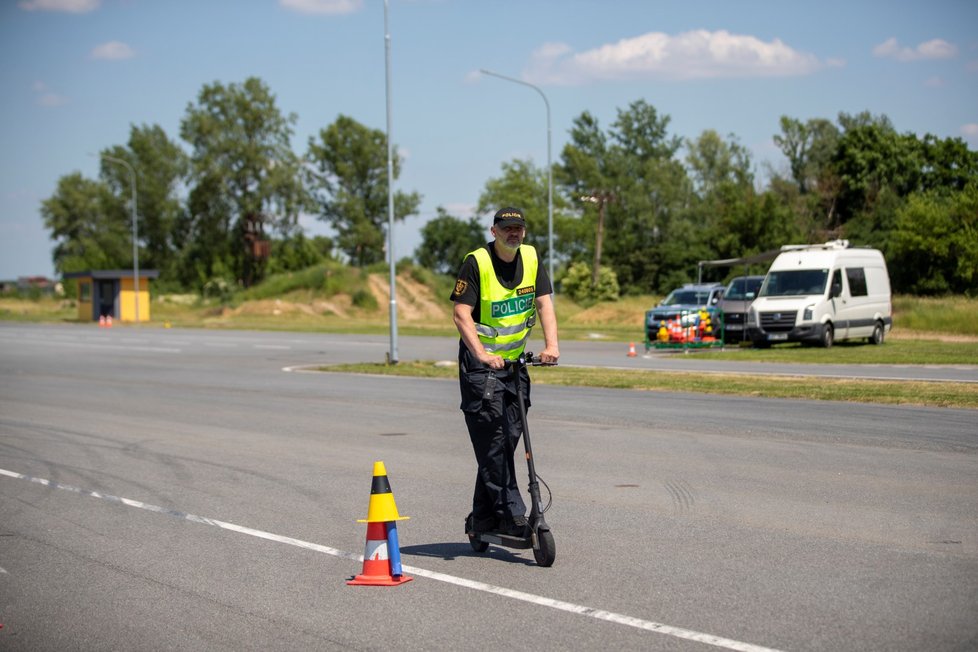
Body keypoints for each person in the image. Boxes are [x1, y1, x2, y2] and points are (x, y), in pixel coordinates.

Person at [450, 206, 559, 537]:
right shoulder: (477, 262)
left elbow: (544, 304)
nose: (514, 233)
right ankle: (513, 515)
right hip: (481, 369)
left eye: (519, 228)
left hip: (515, 366)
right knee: (494, 439)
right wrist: (482, 354)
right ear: (493, 230)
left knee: (507, 438)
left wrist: (551, 346)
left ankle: (482, 518)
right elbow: (461, 314)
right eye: (506, 227)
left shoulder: (531, 258)